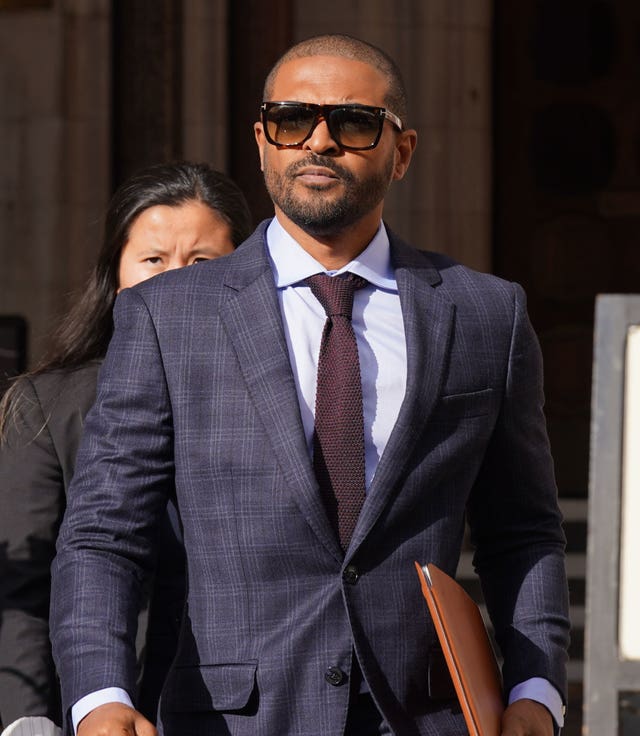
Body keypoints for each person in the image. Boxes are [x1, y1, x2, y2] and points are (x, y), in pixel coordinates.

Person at [50, 34, 570, 736]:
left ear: (404, 151)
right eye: (292, 120)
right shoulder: (170, 313)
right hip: (232, 718)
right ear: (262, 142)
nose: (319, 142)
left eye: (353, 122)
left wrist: (537, 690)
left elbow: (524, 529)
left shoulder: (484, 313)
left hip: (424, 715)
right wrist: (100, 696)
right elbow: (106, 532)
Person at [0, 161, 253, 729]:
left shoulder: (284, 401)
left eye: (201, 262)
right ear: (116, 278)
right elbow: (23, 583)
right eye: (153, 260)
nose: (174, 282)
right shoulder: (49, 405)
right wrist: (29, 722)